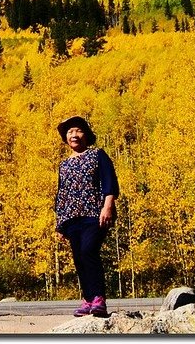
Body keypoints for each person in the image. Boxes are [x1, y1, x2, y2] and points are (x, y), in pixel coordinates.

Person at [54, 115, 119, 317]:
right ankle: (88, 299)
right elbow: (61, 194)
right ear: (66, 138)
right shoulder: (63, 165)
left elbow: (110, 181)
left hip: (95, 214)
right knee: (79, 257)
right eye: (70, 132)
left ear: (87, 135)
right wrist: (60, 225)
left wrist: (107, 206)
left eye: (78, 130)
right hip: (72, 219)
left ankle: (99, 297)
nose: (74, 134)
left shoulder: (98, 154)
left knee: (89, 250)